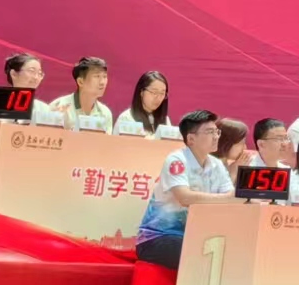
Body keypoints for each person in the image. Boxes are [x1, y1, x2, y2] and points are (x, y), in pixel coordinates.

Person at [135, 110, 234, 269]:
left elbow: (232, 197)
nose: (216, 136)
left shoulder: (217, 165)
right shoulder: (176, 160)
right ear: (191, 139)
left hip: (195, 236)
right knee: (199, 253)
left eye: (217, 131)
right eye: (210, 132)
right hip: (158, 238)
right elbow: (185, 198)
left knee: (231, 251)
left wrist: (232, 198)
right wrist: (227, 199)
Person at [51, 56, 113, 131]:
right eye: (97, 76)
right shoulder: (59, 106)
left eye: (104, 77)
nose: (102, 82)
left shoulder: (105, 113)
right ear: (80, 82)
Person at [116, 71, 170, 136]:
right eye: (154, 92)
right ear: (141, 92)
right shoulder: (126, 118)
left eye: (162, 93)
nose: (158, 98)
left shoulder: (166, 121)